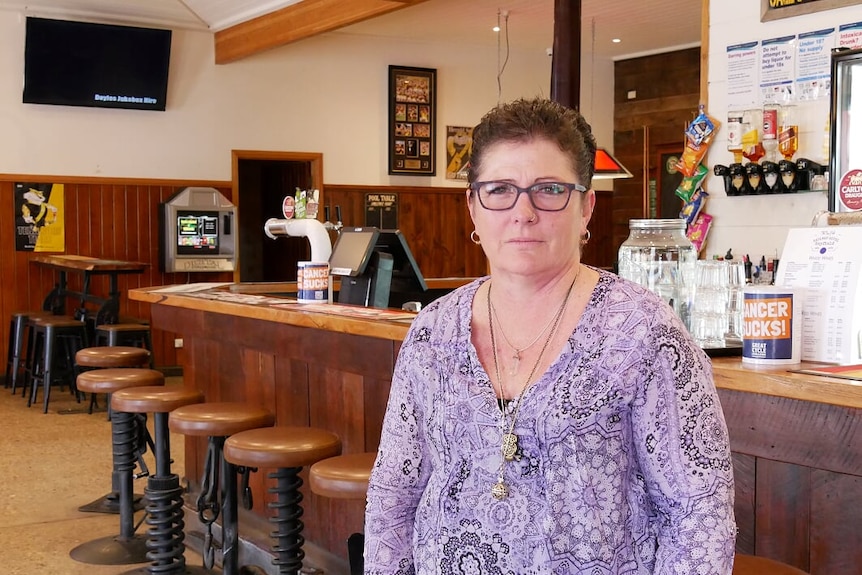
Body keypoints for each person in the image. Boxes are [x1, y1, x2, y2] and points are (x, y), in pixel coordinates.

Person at [364, 97, 736, 574]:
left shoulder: (646, 334)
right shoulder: (431, 333)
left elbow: (699, 515)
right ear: (473, 207)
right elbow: (394, 494)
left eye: (549, 189)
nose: (523, 212)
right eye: (500, 189)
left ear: (586, 207)